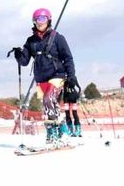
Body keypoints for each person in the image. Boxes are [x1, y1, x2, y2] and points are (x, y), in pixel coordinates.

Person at [13, 8, 77, 144]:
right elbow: (24, 62)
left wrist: (71, 76)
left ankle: (61, 130)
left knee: (49, 99)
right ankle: (55, 132)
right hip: (41, 77)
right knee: (48, 105)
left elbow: (68, 58)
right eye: (36, 20)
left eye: (42, 19)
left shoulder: (57, 38)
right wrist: (18, 54)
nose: (39, 22)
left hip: (57, 75)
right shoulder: (31, 41)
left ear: (48, 20)